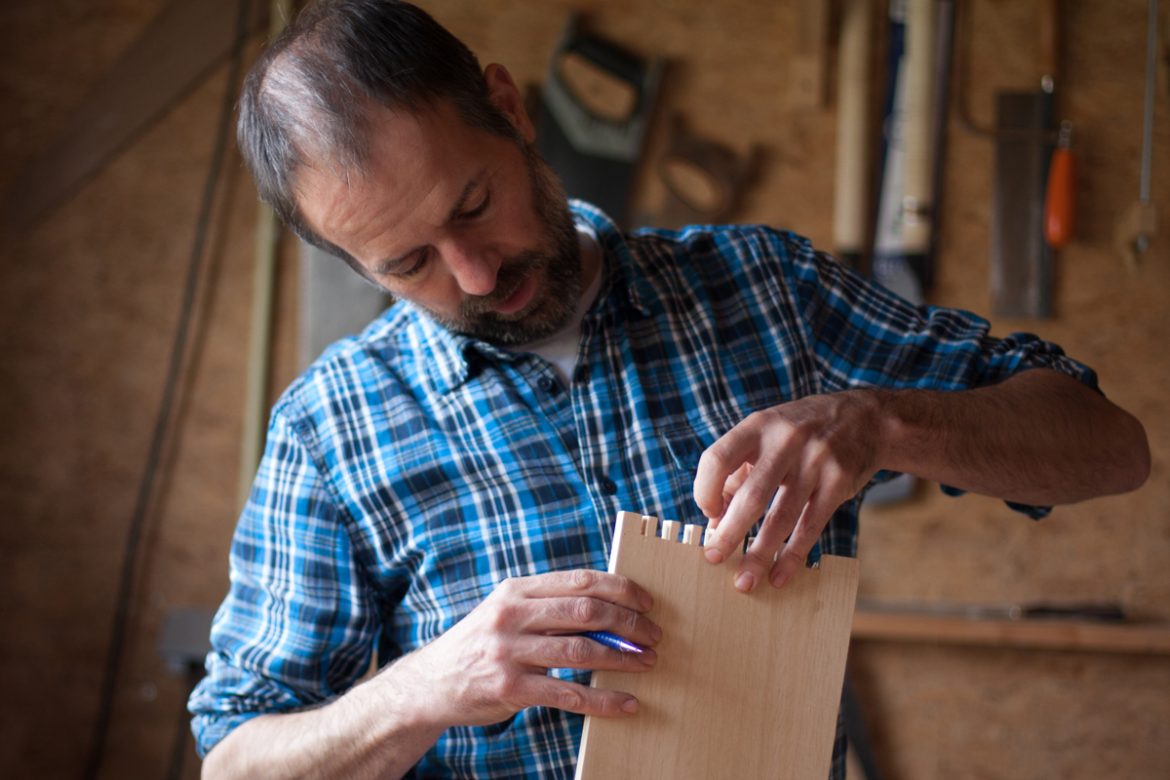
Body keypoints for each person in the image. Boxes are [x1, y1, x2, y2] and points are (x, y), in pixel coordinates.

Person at [188, 1, 1150, 777]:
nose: (475, 275)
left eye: (473, 205)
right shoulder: (331, 427)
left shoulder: (766, 291)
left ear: (510, 109)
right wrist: (424, 688)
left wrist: (881, 420)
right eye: (409, 263)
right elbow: (235, 759)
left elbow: (1110, 447)